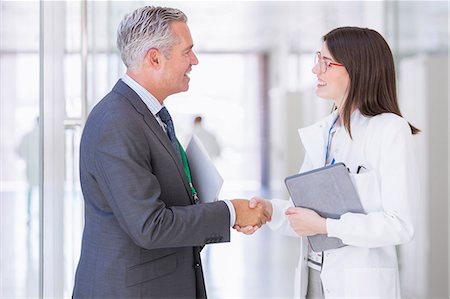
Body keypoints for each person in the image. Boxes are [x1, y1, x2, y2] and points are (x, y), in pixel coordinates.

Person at [72, 6, 269, 298]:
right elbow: (149, 225)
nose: (195, 61)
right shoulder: (117, 121)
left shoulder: (145, 114)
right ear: (154, 58)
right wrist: (230, 212)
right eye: (187, 52)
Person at [237, 26, 420, 298]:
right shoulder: (325, 132)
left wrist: (326, 227)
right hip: (314, 278)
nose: (316, 70)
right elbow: (307, 214)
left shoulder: (390, 130)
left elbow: (399, 225)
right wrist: (270, 211)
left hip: (360, 284)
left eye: (326, 62)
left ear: (357, 69)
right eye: (317, 59)